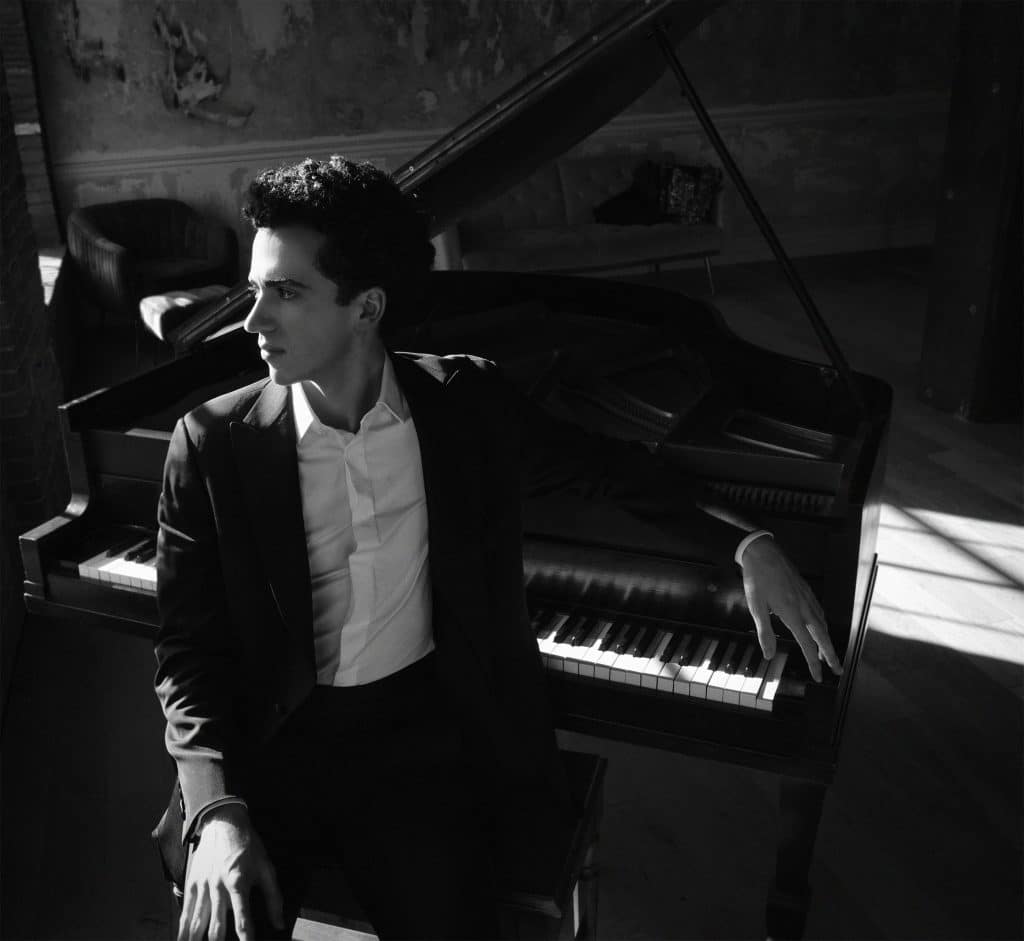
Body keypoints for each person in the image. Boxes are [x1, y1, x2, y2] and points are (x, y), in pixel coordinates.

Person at [153, 155, 841, 941]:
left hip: (409, 751)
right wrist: (217, 808)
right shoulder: (209, 441)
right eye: (254, 289)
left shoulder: (464, 403)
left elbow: (608, 468)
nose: (252, 320)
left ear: (367, 307)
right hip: (265, 755)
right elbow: (186, 651)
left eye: (285, 291)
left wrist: (748, 542)